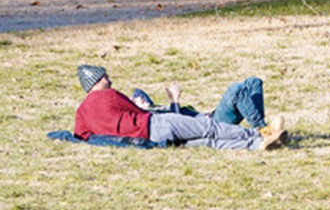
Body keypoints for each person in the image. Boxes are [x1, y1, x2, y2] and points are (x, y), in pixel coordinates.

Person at [73, 64, 288, 150]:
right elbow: (140, 113)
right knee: (210, 128)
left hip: (154, 136)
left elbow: (80, 135)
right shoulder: (109, 96)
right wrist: (162, 104)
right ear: (96, 81)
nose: (110, 81)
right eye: (105, 77)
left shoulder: (81, 112)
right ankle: (261, 133)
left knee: (209, 141)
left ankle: (257, 144)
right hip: (156, 125)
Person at [132, 76, 272, 131]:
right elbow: (176, 125)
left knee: (253, 82)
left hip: (210, 117)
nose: (139, 98)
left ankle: (260, 126)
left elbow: (138, 92)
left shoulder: (158, 108)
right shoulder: (152, 118)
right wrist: (174, 101)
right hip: (211, 125)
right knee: (236, 90)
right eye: (135, 101)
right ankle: (262, 129)